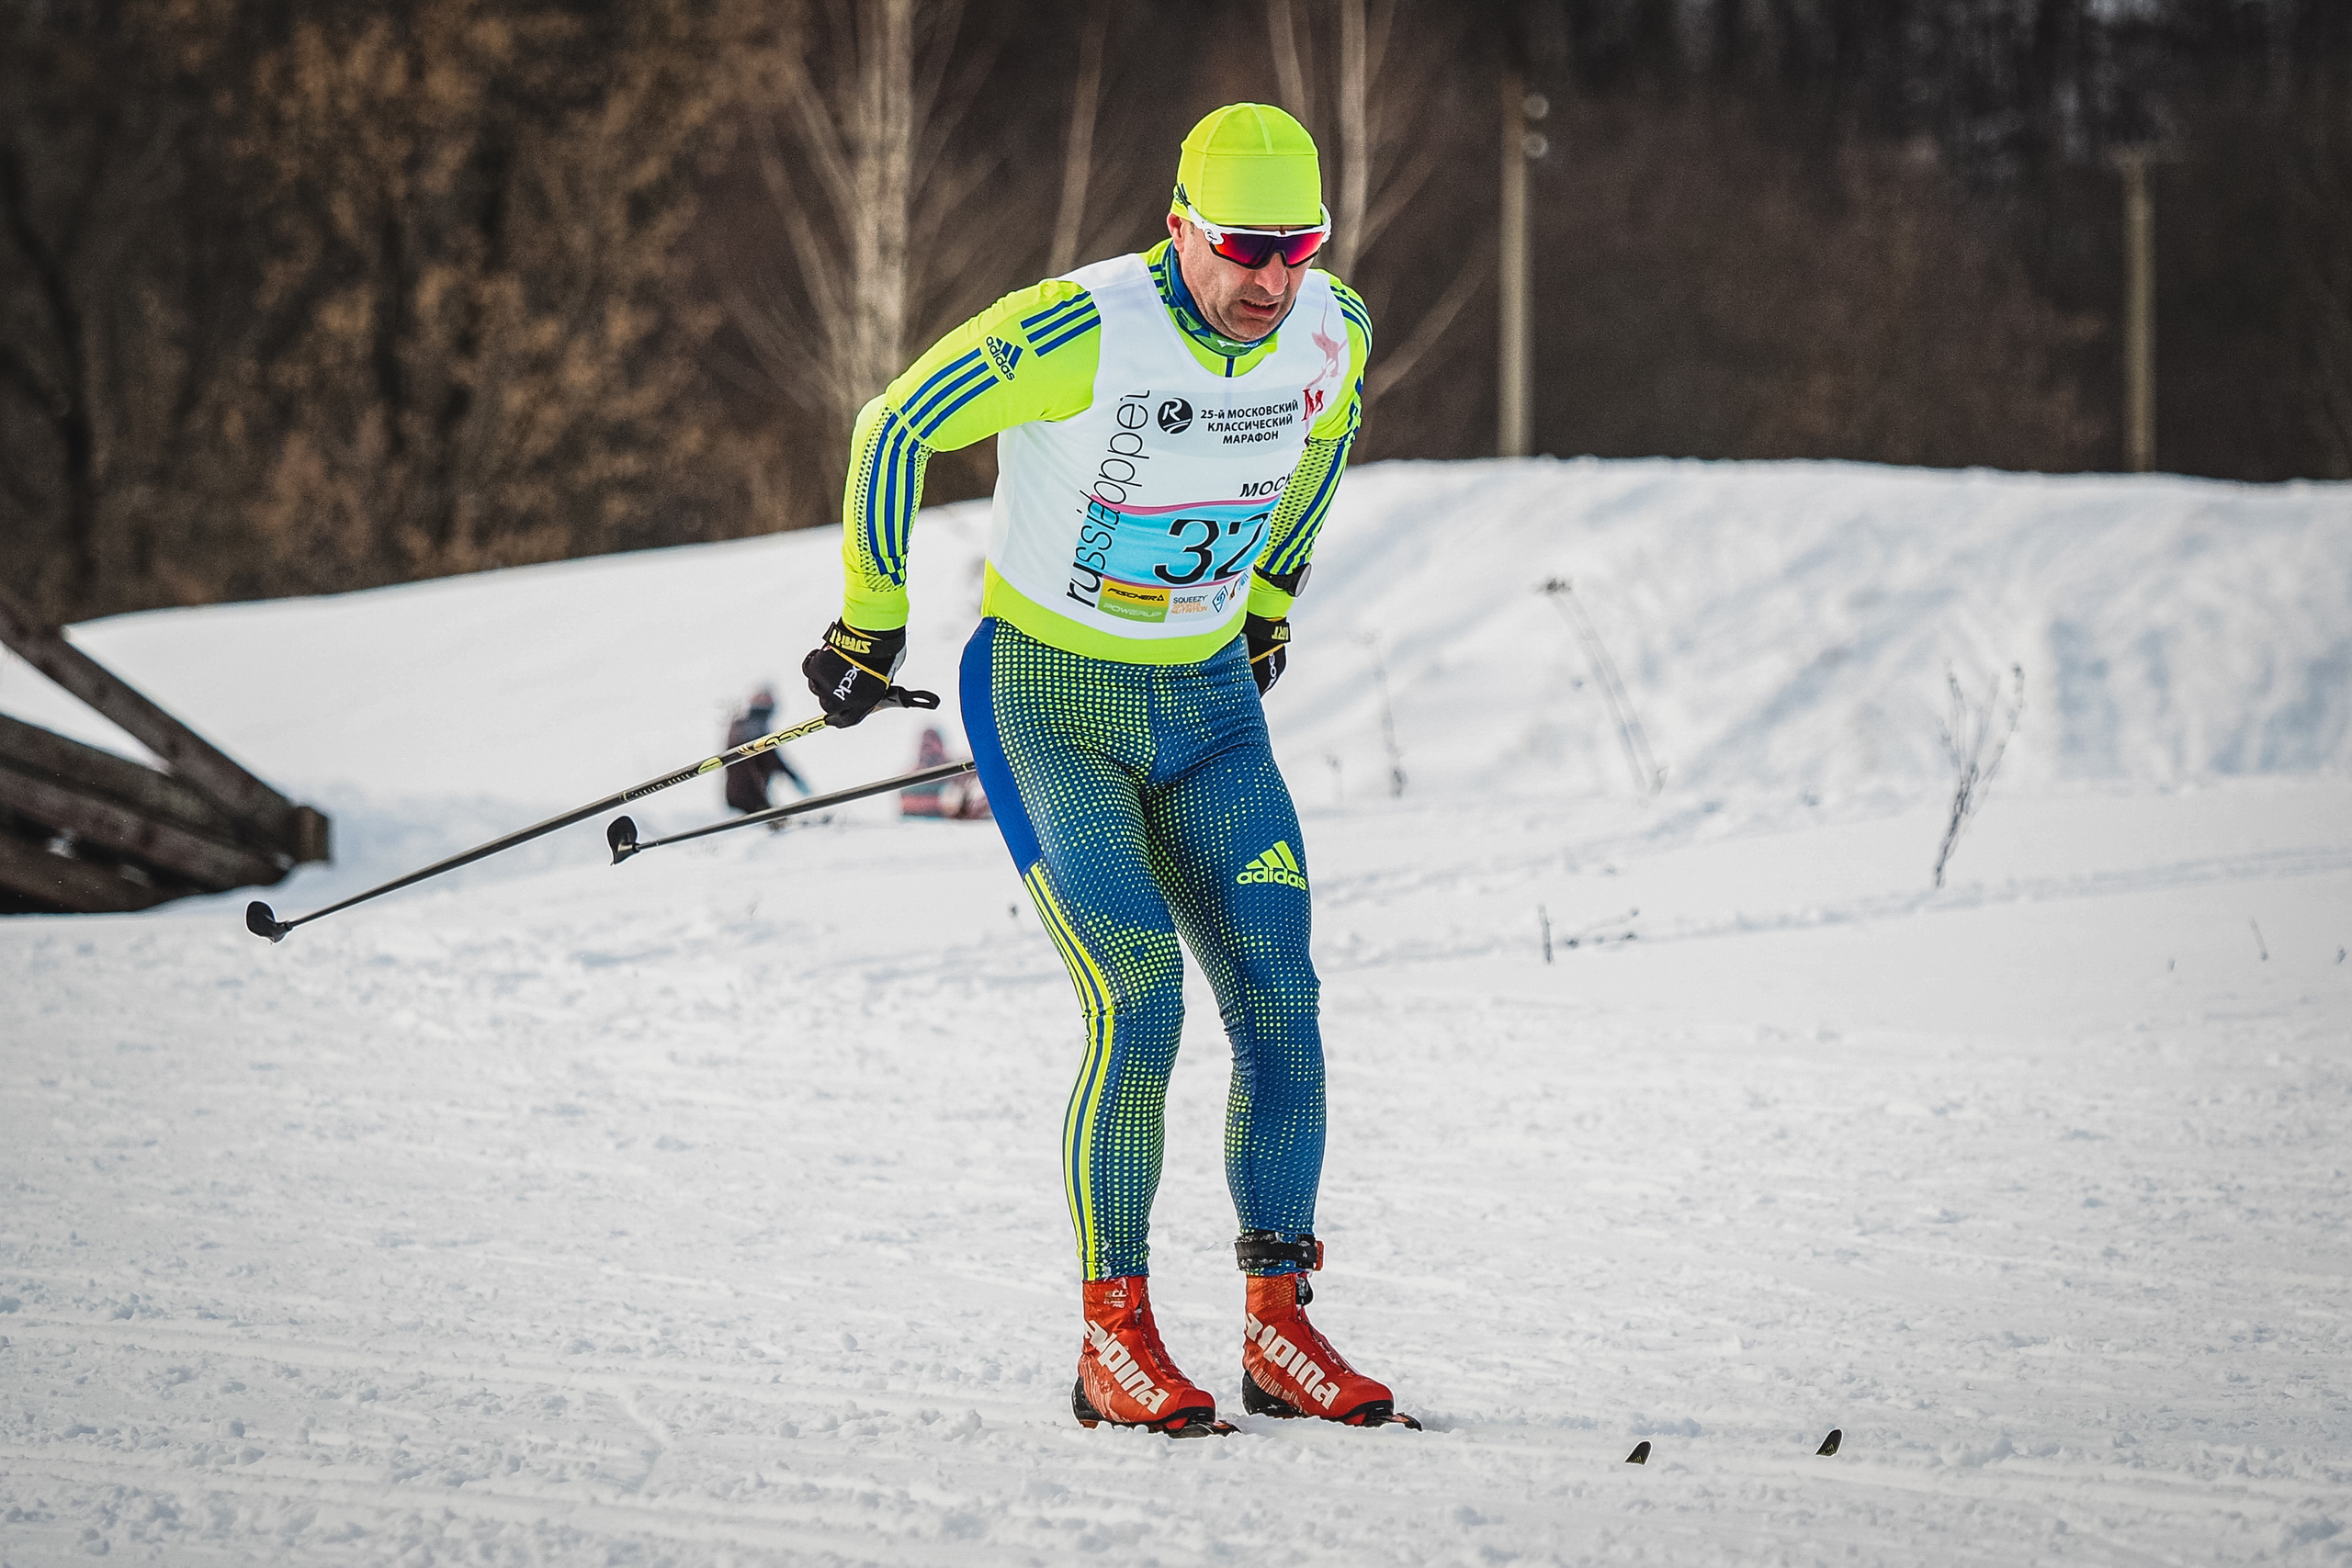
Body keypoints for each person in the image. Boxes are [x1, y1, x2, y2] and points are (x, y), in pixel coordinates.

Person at [801, 105, 1406, 1435]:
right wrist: (869, 619)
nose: (1273, 277)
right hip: (1048, 699)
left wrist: (1272, 600)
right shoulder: (1080, 330)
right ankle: (1114, 1336)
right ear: (1180, 222)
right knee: (1139, 995)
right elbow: (893, 428)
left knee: (1282, 1000)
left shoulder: (1330, 326)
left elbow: (1324, 444)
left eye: (1297, 246)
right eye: (1245, 247)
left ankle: (1280, 1326)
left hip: (1203, 705)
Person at [720, 688, 808, 815]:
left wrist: (796, 780)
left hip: (755, 800)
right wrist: (763, 805)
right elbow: (744, 772)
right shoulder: (745, 728)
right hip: (745, 803)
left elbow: (776, 761)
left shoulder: (758, 729)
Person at [899, 727, 992, 819]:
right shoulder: (911, 778)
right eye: (925, 746)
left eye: (933, 743)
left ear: (941, 745)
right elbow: (906, 804)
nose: (929, 750)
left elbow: (983, 772)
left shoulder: (958, 768)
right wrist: (949, 803)